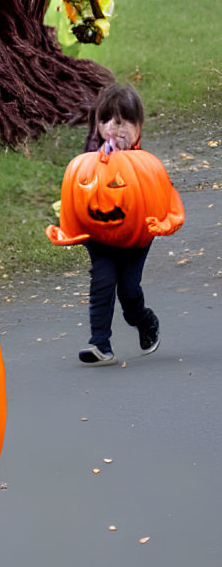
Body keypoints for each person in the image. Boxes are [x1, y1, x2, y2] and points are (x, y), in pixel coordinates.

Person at [67, 83, 182, 364]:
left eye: (120, 122)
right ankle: (100, 345)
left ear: (137, 126)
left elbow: (166, 198)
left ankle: (144, 320)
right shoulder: (90, 158)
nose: (112, 129)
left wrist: (166, 223)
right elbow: (77, 192)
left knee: (129, 290)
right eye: (105, 121)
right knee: (102, 281)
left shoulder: (145, 163)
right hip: (100, 234)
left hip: (137, 233)